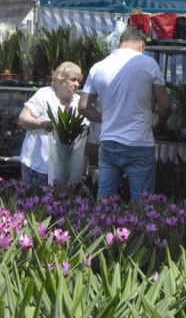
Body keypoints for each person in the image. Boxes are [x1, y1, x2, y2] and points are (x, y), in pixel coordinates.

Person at [79, 27, 171, 201]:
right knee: (141, 203)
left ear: (121, 43)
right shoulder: (148, 63)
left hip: (108, 143)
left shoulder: (98, 67)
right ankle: (137, 229)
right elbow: (165, 106)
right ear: (141, 47)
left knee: (105, 200)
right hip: (139, 143)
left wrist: (105, 119)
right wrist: (158, 124)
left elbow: (83, 106)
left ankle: (101, 228)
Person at [18, 61, 85, 185]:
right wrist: (41, 124)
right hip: (37, 164)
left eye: (78, 80)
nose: (77, 84)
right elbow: (22, 118)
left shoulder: (77, 101)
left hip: (64, 165)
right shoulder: (44, 94)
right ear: (60, 80)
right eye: (73, 80)